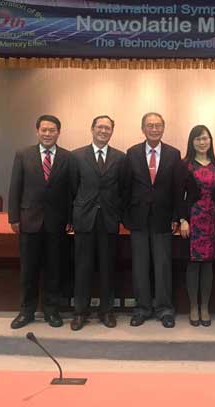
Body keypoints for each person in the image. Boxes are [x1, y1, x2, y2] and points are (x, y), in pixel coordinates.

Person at [7, 114, 72, 329]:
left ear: (58, 132)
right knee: (28, 270)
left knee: (54, 269)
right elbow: (15, 187)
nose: (47, 134)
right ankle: (26, 311)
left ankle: (51, 311)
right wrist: (14, 217)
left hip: (56, 223)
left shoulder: (67, 157)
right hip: (29, 221)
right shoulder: (23, 154)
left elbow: (70, 191)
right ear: (37, 131)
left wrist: (70, 218)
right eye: (44, 130)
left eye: (52, 130)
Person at [123, 112, 182, 328]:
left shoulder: (174, 154)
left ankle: (164, 309)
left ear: (163, 128)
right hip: (138, 219)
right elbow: (125, 188)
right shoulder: (132, 153)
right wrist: (126, 218)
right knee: (140, 266)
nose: (154, 129)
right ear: (143, 129)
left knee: (163, 266)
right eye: (150, 125)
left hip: (163, 219)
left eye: (158, 125)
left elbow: (178, 189)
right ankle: (142, 309)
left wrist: (176, 216)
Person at [69, 115, 126, 331]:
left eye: (107, 128)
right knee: (82, 268)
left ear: (112, 131)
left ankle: (106, 311)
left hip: (109, 219)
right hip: (84, 219)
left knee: (107, 268)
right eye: (100, 127)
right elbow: (72, 188)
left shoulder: (120, 158)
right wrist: (73, 216)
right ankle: (80, 312)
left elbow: (123, 189)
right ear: (92, 129)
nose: (103, 131)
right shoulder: (76, 156)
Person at [178, 125, 215, 327]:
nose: (202, 142)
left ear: (210, 140)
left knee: (208, 264)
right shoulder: (184, 165)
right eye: (198, 139)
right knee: (193, 263)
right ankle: (193, 307)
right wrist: (183, 219)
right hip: (193, 218)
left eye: (205, 138)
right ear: (192, 142)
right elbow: (179, 194)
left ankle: (205, 307)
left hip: (212, 218)